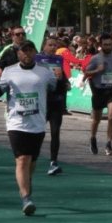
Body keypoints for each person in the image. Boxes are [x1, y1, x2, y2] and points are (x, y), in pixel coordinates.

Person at [0, 39, 57, 216]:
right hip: (16, 123)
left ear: (35, 52)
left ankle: (26, 181)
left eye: (30, 50)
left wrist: (62, 80)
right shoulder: (9, 71)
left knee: (32, 161)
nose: (27, 54)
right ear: (18, 53)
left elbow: (56, 90)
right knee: (22, 159)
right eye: (23, 51)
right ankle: (27, 199)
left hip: (37, 123)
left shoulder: (45, 72)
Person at [35, 36, 70, 175]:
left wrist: (65, 81)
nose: (52, 48)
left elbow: (63, 76)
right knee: (39, 132)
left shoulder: (59, 59)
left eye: (54, 45)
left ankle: (53, 162)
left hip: (56, 101)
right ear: (44, 46)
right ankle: (32, 157)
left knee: (55, 132)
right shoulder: (37, 58)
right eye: (50, 45)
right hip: (42, 101)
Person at [84, 34, 112, 156]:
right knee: (96, 119)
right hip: (98, 91)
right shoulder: (95, 59)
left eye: (110, 44)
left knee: (111, 117)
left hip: (111, 90)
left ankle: (109, 144)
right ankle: (93, 138)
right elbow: (86, 72)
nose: (108, 47)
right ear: (100, 46)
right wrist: (96, 71)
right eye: (105, 44)